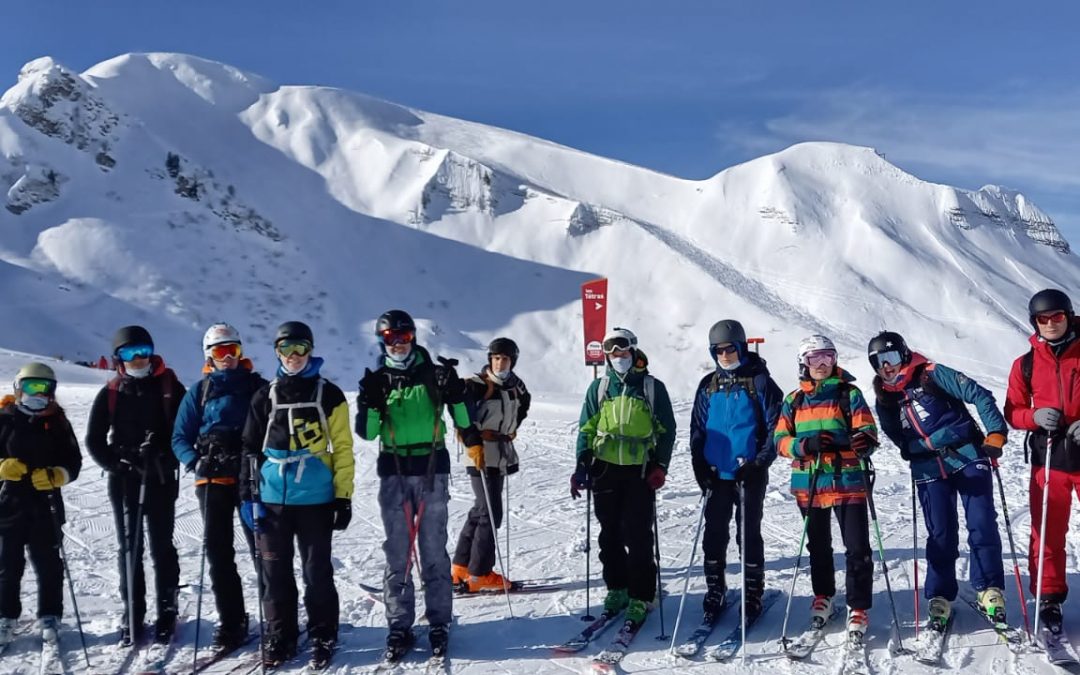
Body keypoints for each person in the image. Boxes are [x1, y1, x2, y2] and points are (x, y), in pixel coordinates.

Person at [356, 309, 480, 660]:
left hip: (430, 468)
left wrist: (456, 393)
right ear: (383, 342)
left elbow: (463, 419)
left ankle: (439, 620)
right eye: (391, 339)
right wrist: (369, 402)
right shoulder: (380, 379)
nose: (398, 344)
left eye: (404, 337)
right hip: (394, 469)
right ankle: (399, 624)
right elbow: (367, 432)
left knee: (432, 549)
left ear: (414, 338)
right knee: (398, 551)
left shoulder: (433, 375)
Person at [870, 331, 1008, 631]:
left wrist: (995, 431)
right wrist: (915, 450)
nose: (887, 367)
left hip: (968, 455)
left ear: (904, 355)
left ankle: (989, 587)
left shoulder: (930, 374)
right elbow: (895, 434)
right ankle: (941, 595)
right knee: (941, 533)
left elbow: (978, 394)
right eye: (878, 362)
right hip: (929, 469)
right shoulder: (885, 397)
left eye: (891, 358)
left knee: (982, 522)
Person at [239, 321, 354, 668]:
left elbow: (343, 447)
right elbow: (249, 448)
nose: (293, 356)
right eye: (286, 349)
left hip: (315, 498)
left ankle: (322, 632)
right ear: (277, 352)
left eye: (300, 348)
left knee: (316, 570)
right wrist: (249, 495)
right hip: (273, 498)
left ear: (311, 350)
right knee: (274, 573)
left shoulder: (329, 394)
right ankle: (280, 635)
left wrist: (343, 496)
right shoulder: (265, 395)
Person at [85, 325, 185, 646]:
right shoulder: (113, 392)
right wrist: (118, 462)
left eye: (143, 351)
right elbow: (95, 439)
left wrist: (164, 453)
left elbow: (184, 433)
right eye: (130, 353)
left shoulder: (171, 387)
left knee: (160, 545)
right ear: (119, 358)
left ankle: (167, 610)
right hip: (125, 480)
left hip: (159, 478)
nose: (138, 359)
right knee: (130, 547)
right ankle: (133, 610)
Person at [571, 327, 676, 628]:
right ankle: (617, 588)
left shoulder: (651, 387)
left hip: (639, 470)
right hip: (605, 468)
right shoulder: (600, 389)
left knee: (638, 534)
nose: (619, 357)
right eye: (613, 353)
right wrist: (581, 463)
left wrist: (661, 466)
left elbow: (666, 429)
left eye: (624, 351)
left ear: (633, 351)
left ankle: (641, 595)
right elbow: (586, 428)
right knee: (609, 533)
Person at [774, 335, 878, 640]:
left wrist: (859, 441)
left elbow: (868, 431)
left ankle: (858, 606)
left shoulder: (849, 394)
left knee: (857, 547)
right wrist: (805, 445)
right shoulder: (793, 400)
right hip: (810, 481)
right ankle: (824, 595)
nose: (822, 365)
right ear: (803, 363)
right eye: (814, 359)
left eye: (828, 357)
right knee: (818, 546)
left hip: (846, 479)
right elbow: (780, 442)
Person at [172, 323, 267, 653]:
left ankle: (276, 614)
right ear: (208, 357)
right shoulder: (199, 391)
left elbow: (275, 428)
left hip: (250, 476)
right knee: (218, 551)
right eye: (219, 352)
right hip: (212, 478)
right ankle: (232, 620)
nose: (226, 358)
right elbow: (180, 436)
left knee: (263, 548)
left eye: (232, 351)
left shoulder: (258, 388)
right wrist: (195, 461)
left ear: (241, 352)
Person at [689, 320, 782, 621]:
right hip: (717, 473)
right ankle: (715, 587)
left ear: (741, 347)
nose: (725, 354)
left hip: (748, 472)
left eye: (731, 348)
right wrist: (699, 464)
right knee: (714, 533)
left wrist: (759, 464)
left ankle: (753, 589)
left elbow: (776, 428)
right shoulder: (708, 385)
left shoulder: (760, 383)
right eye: (719, 349)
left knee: (749, 533)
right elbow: (697, 429)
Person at [1003, 288, 1080, 635]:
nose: (1051, 324)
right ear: (1034, 322)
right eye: (1043, 319)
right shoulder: (1026, 363)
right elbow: (1012, 411)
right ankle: (1048, 598)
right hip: (1049, 456)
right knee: (1047, 530)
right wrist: (1034, 416)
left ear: (1069, 315)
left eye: (1057, 317)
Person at [0, 363, 81, 647]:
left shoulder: (58, 422)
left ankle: (50, 615)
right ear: (19, 388)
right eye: (31, 386)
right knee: (7, 565)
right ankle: (5, 616)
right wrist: (2, 466)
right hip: (8, 504)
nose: (37, 393)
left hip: (46, 505)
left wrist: (58, 474)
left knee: (48, 564)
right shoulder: (4, 419)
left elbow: (74, 461)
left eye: (43, 387)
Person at [451, 337, 531, 592]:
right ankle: (480, 574)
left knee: (480, 509)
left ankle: (461, 566)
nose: (500, 363)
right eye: (495, 358)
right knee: (490, 512)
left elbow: (523, 407)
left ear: (513, 361)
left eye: (505, 358)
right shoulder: (477, 385)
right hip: (480, 454)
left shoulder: (516, 387)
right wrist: (472, 441)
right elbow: (460, 414)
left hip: (501, 453)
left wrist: (509, 429)